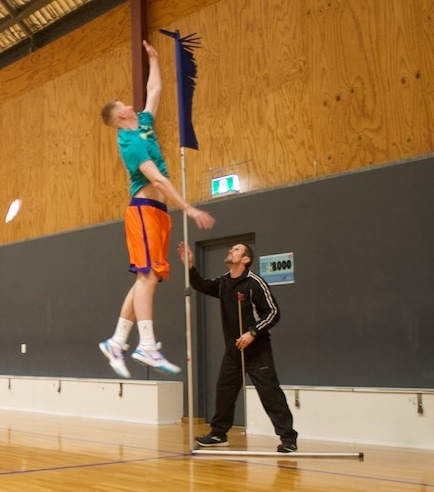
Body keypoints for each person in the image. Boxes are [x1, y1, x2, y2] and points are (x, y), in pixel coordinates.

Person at [99, 40, 215, 378]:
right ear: (121, 115)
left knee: (145, 280)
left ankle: (116, 341)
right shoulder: (131, 144)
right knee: (147, 276)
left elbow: (155, 89)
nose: (131, 104)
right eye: (125, 104)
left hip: (158, 214)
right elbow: (159, 181)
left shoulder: (144, 123)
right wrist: (189, 209)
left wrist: (155, 60)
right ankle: (146, 345)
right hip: (144, 209)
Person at [177, 242, 298, 453]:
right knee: (224, 391)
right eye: (231, 249)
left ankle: (288, 438)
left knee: (270, 393)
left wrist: (252, 332)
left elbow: (273, 313)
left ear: (245, 259)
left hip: (257, 349)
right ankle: (218, 434)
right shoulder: (223, 282)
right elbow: (202, 285)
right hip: (233, 351)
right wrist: (190, 266)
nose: (231, 251)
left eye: (237, 249)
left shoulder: (255, 283)